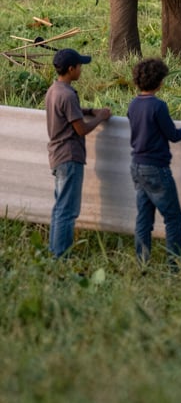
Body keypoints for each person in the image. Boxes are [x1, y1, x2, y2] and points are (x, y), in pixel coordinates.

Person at [127, 58, 181, 267]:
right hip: (156, 168)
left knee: (144, 218)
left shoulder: (133, 105)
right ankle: (173, 264)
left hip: (136, 165)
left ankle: (142, 262)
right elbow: (173, 135)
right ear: (160, 82)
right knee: (173, 219)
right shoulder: (158, 106)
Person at [46, 48, 112, 257]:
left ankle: (53, 252)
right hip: (70, 156)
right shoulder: (68, 95)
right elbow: (81, 129)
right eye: (80, 66)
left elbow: (68, 112)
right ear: (71, 69)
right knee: (68, 211)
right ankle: (61, 256)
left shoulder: (54, 90)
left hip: (56, 155)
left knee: (59, 208)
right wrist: (100, 117)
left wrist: (89, 110)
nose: (81, 70)